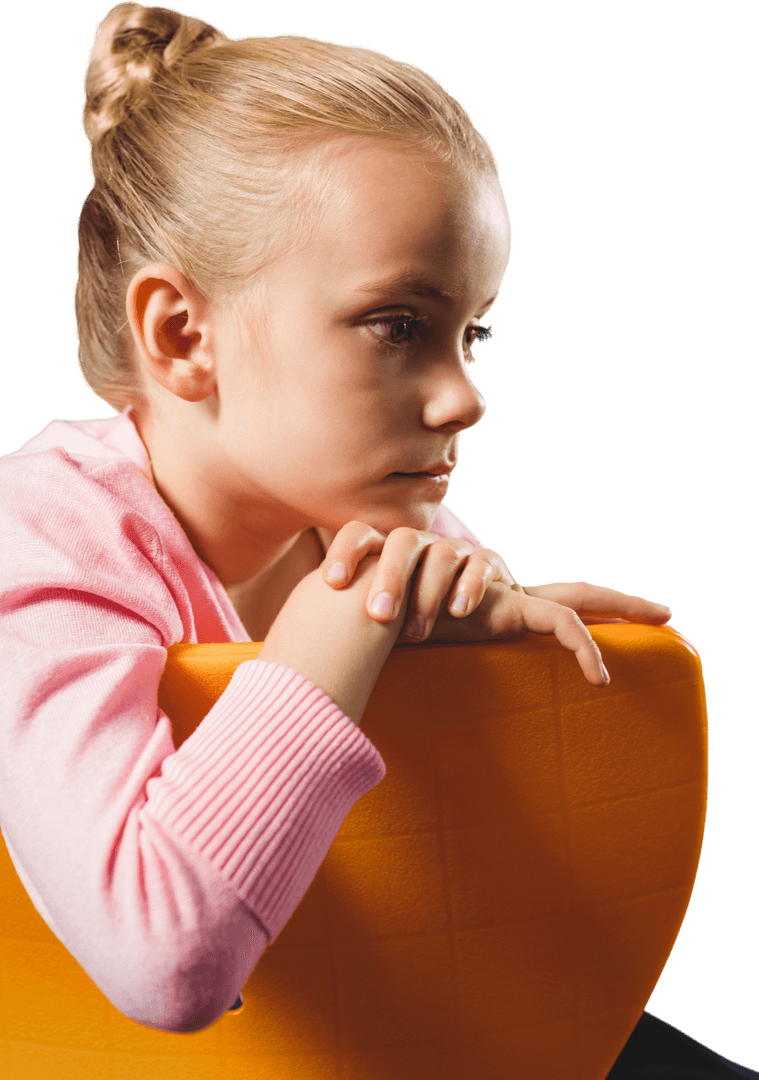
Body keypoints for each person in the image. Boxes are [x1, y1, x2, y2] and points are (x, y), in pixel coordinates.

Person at [0, 2, 754, 1075]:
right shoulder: (41, 538)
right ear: (181, 335)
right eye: (398, 326)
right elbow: (162, 964)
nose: (463, 399)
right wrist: (353, 625)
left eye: (473, 334)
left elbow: (461, 909)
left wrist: (499, 676)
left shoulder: (388, 521)